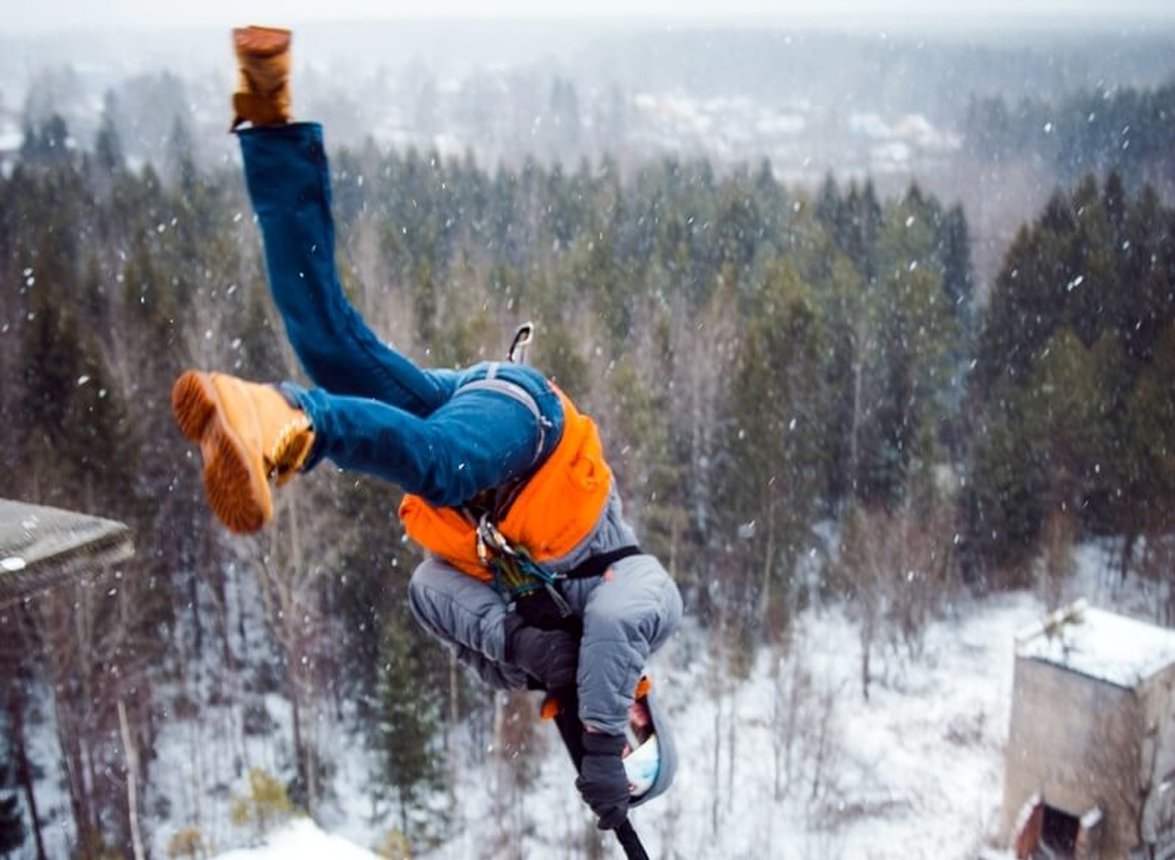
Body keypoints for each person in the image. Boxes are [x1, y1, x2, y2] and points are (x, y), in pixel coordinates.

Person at [173, 25, 682, 828]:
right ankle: (284, 416)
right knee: (440, 464)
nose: (616, 745)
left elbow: (431, 589)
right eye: (633, 748)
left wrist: (522, 650)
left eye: (612, 759)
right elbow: (615, 625)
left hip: (477, 428)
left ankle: (268, 120)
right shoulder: (649, 604)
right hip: (526, 423)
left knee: (334, 346)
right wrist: (596, 714)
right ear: (647, 718)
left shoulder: (524, 670)